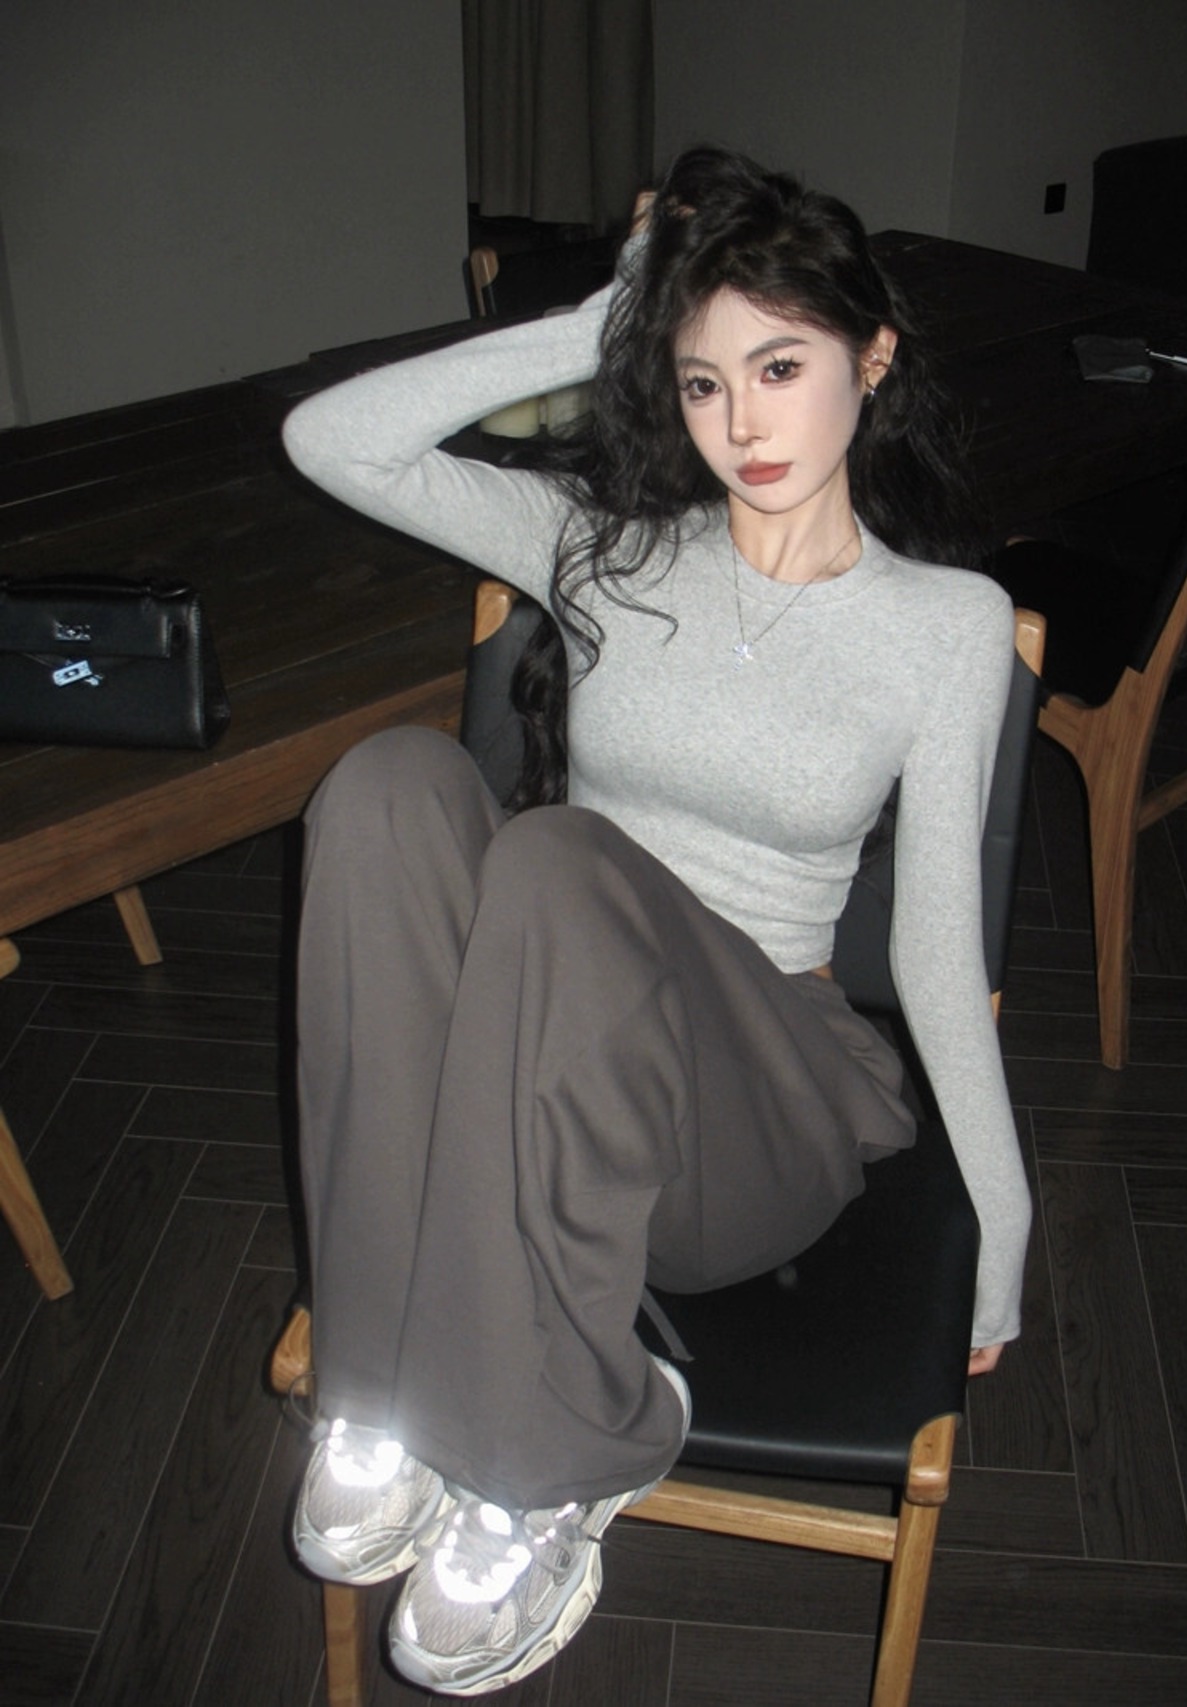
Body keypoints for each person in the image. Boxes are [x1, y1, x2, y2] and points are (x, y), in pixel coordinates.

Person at [281, 145, 1031, 1697]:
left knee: (559, 861)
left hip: (762, 1109)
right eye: (700, 382)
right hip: (551, 1055)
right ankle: (385, 1394)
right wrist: (594, 325)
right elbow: (329, 440)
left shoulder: (943, 628)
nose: (742, 422)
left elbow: (937, 954)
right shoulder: (605, 549)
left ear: (872, 359)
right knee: (388, 787)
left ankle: (551, 1455)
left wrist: (1004, 1228)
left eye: (780, 366)